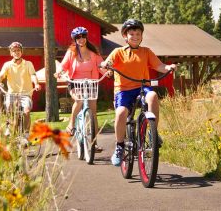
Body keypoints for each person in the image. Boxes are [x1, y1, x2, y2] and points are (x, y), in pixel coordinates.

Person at [100, 19, 176, 166]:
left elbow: (159, 65)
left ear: (142, 36)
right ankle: (120, 146)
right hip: (123, 90)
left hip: (142, 87)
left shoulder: (146, 52)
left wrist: (168, 67)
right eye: (131, 34)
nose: (135, 36)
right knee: (121, 113)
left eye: (138, 34)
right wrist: (106, 65)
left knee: (153, 95)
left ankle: (152, 133)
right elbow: (107, 64)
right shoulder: (118, 52)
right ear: (125, 36)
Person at [55, 27, 105, 152]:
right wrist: (59, 72)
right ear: (75, 40)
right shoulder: (71, 52)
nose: (81, 39)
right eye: (78, 37)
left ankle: (94, 143)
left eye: (83, 36)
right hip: (75, 83)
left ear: (86, 37)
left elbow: (101, 65)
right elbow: (63, 65)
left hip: (91, 83)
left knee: (93, 114)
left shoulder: (94, 52)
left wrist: (107, 71)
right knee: (79, 100)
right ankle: (71, 124)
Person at [0, 42, 41, 137]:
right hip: (11, 94)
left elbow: (33, 75)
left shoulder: (28, 64)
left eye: (18, 50)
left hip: (25, 94)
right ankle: (8, 127)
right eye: (14, 51)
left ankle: (26, 133)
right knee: (8, 108)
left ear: (21, 52)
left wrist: (36, 84)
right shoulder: (7, 65)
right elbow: (1, 75)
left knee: (26, 111)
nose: (16, 52)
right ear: (11, 53)